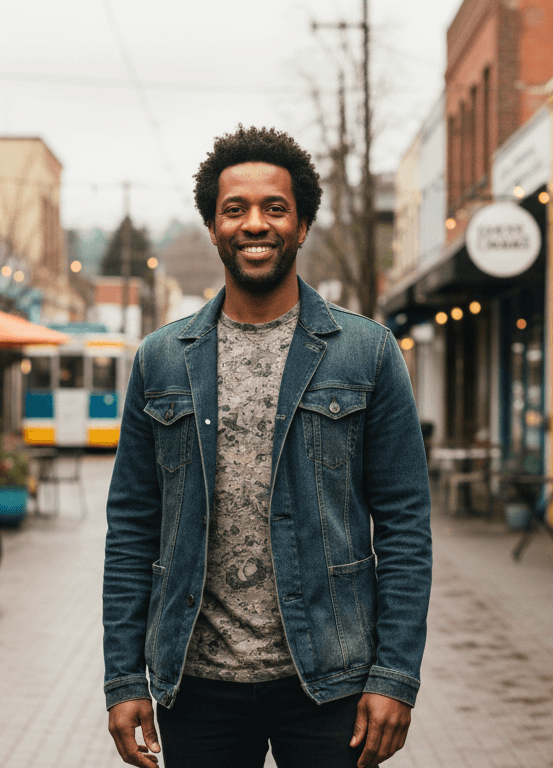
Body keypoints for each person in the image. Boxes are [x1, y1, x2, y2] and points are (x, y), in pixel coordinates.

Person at [103, 125, 433, 768]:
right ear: (213, 226)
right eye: (236, 209)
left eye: (275, 208)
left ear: (302, 224)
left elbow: (404, 524)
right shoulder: (160, 360)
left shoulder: (367, 353)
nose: (255, 223)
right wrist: (123, 679)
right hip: (195, 684)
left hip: (331, 678)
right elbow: (132, 528)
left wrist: (395, 675)